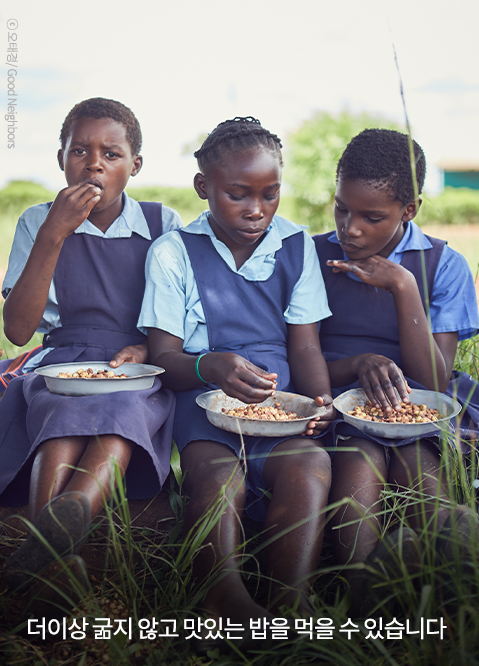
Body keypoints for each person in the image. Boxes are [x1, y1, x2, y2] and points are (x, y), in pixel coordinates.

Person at [138, 117, 334, 633]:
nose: (257, 210)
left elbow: (306, 343)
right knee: (217, 477)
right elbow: (165, 358)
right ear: (204, 187)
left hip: (278, 402)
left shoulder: (295, 245)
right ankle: (223, 600)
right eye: (238, 195)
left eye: (270, 195)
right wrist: (211, 365)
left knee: (309, 467)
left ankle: (290, 600)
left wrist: (317, 400)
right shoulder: (173, 252)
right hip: (201, 400)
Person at [0, 97, 180, 610]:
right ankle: (53, 541)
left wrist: (150, 344)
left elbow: (180, 312)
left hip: (135, 361)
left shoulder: (160, 222)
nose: (94, 163)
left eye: (112, 154)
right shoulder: (39, 220)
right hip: (61, 356)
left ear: (135, 166)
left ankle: (71, 511)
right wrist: (57, 231)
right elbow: (17, 329)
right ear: (61, 159)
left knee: (123, 407)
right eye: (80, 150)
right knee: (60, 404)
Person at [313, 128, 479, 615]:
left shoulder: (441, 265)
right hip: (338, 393)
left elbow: (434, 377)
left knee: (423, 472)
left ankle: (449, 579)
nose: (351, 228)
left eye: (372, 217)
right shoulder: (311, 255)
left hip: (415, 404)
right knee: (359, 467)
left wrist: (404, 286)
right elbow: (296, 356)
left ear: (410, 210)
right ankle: (364, 591)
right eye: (342, 208)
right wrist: (358, 364)